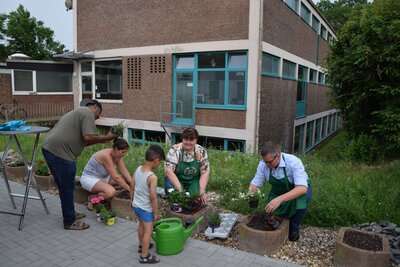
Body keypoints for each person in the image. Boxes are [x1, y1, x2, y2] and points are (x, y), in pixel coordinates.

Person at [41, 99, 117, 230]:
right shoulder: (87, 112)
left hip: (51, 149)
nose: (95, 119)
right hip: (60, 153)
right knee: (67, 187)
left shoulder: (77, 113)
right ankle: (69, 221)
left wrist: (104, 140)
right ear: (94, 107)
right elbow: (88, 137)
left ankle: (70, 214)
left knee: (65, 187)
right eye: (97, 116)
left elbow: (85, 142)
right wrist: (106, 137)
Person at [248, 141, 312, 241]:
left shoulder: (293, 162)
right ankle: (279, 222)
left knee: (301, 202)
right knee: (271, 208)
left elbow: (302, 188)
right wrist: (251, 195)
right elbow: (255, 183)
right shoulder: (263, 164)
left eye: (269, 162)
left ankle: (294, 227)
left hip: (297, 189)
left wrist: (280, 199)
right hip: (279, 189)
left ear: (278, 156)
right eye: (265, 162)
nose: (267, 165)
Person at [130, 145, 166, 264]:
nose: (159, 165)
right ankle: (144, 256)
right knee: (148, 231)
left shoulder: (138, 168)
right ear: (156, 161)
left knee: (141, 226)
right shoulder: (152, 177)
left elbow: (132, 185)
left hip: (136, 206)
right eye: (160, 163)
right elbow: (152, 197)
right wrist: (156, 212)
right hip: (145, 209)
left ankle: (142, 246)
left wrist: (131, 200)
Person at [81, 137, 132, 210]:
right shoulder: (106, 156)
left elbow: (124, 172)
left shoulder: (118, 155)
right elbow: (116, 178)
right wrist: (130, 189)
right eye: (123, 152)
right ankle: (92, 199)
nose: (124, 154)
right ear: (116, 149)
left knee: (126, 180)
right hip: (90, 178)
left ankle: (104, 192)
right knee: (111, 192)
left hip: (103, 178)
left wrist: (133, 185)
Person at [163, 127, 210, 204]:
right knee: (176, 197)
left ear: (196, 140)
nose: (188, 142)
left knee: (196, 200)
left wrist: (202, 191)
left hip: (194, 180)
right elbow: (168, 171)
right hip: (177, 179)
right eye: (185, 139)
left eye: (191, 140)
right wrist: (180, 190)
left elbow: (205, 172)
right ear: (182, 139)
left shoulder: (201, 151)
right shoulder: (175, 149)